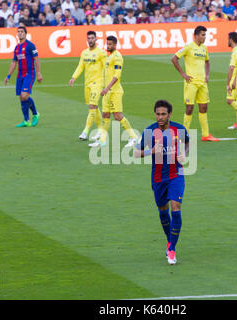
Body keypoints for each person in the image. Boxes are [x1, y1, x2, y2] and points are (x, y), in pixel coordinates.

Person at [134, 99, 189, 265]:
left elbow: (187, 143)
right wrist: (151, 151)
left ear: (170, 114)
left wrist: (184, 154)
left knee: (175, 208)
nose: (160, 117)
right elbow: (136, 154)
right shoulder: (149, 131)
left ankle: (172, 250)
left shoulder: (179, 129)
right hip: (158, 178)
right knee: (163, 211)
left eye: (163, 114)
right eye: (158, 114)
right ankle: (169, 240)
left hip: (176, 175)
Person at [171, 26, 220, 142]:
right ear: (196, 35)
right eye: (203, 35)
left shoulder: (204, 48)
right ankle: (183, 135)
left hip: (202, 83)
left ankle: (206, 134)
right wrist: (183, 74)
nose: (204, 37)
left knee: (204, 108)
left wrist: (207, 75)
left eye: (205, 35)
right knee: (189, 108)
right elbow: (174, 59)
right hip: (191, 83)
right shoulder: (188, 47)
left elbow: (207, 62)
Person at [89, 36, 138, 148]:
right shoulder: (109, 56)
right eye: (107, 44)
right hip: (107, 92)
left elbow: (117, 75)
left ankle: (134, 137)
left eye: (110, 44)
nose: (108, 46)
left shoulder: (117, 57)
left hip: (115, 91)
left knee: (117, 116)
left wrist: (107, 87)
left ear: (115, 45)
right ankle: (102, 141)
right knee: (105, 114)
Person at [69, 31, 107, 141]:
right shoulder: (84, 53)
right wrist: (73, 77)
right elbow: (80, 66)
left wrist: (107, 83)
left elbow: (106, 67)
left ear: (96, 39)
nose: (90, 40)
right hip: (87, 84)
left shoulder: (101, 53)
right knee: (94, 107)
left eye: (92, 38)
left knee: (92, 106)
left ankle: (85, 131)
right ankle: (100, 130)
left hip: (98, 83)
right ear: (87, 40)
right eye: (89, 38)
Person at [4, 26, 43, 127]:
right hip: (20, 74)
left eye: (22, 32)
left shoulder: (30, 45)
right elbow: (13, 62)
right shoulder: (17, 48)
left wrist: (38, 73)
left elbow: (36, 59)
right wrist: (8, 76)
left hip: (29, 73)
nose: (20, 33)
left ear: (26, 34)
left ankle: (35, 114)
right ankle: (26, 121)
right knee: (21, 98)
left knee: (24, 95)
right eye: (18, 32)